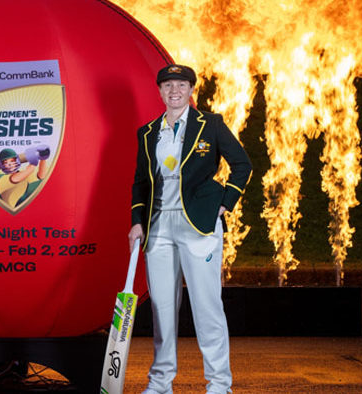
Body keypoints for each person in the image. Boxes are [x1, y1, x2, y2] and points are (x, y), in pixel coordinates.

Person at [128, 64, 252, 394]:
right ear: (160, 91)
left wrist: (225, 202)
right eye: (168, 85)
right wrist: (137, 222)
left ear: (191, 90)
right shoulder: (148, 133)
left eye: (181, 85)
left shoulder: (210, 125)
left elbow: (242, 164)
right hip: (158, 228)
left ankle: (219, 384)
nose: (174, 91)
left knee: (207, 306)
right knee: (162, 309)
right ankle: (160, 382)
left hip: (199, 225)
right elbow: (140, 182)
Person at [0, 145, 51, 209]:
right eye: (6, 162)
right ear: (1, 165)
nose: (9, 164)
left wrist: (43, 159)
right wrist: (33, 159)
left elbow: (41, 176)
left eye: (12, 161)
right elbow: (17, 178)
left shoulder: (22, 175)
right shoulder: (6, 179)